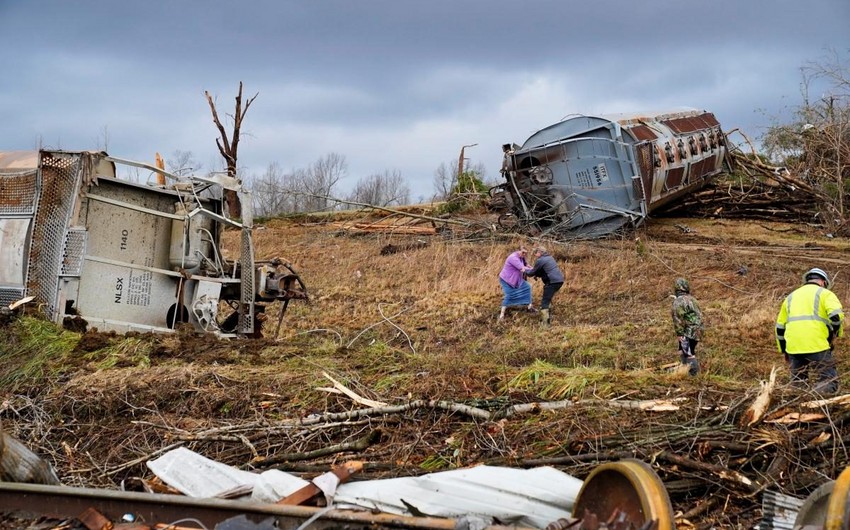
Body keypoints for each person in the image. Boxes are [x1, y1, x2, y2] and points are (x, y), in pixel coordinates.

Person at [776, 267, 844, 394]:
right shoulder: (825, 294)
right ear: (823, 282)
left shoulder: (790, 297)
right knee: (828, 381)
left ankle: (798, 406)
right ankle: (817, 402)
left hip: (793, 347)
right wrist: (834, 334)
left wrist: (784, 350)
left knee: (798, 384)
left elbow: (780, 328)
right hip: (817, 345)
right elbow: (836, 317)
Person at [671, 278, 704, 376]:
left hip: (688, 331)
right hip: (699, 329)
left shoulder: (678, 301)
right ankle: (685, 371)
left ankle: (694, 374)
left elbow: (677, 319)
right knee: (683, 350)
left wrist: (679, 334)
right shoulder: (692, 299)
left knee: (688, 353)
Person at [526, 246, 565, 327]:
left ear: (539, 253)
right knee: (548, 298)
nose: (535, 255)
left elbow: (531, 273)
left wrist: (524, 271)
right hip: (559, 281)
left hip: (552, 282)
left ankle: (545, 324)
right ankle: (547, 318)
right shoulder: (550, 258)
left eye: (535, 253)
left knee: (545, 302)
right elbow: (543, 271)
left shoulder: (540, 260)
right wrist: (537, 274)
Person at [498, 247, 534, 320]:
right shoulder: (513, 258)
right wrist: (534, 270)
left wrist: (533, 268)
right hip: (507, 279)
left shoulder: (521, 257)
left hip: (516, 279)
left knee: (527, 287)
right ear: (519, 251)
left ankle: (530, 307)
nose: (524, 254)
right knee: (509, 295)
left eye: (525, 253)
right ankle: (502, 315)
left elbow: (526, 265)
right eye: (523, 252)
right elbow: (522, 268)